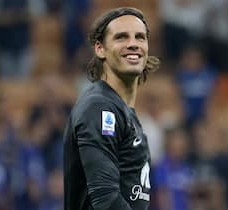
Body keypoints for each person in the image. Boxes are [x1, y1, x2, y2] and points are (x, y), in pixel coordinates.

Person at [63, 7, 160, 210]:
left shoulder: (124, 112)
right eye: (121, 37)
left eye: (140, 37)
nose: (133, 44)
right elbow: (106, 200)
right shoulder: (99, 108)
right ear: (100, 49)